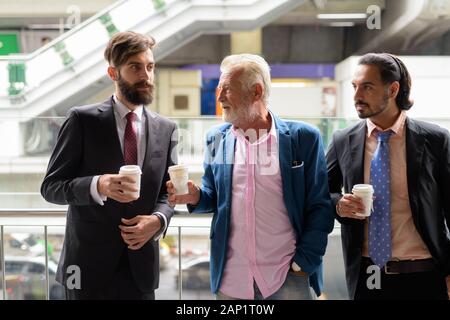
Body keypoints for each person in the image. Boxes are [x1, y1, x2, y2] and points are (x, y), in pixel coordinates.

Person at [167, 54, 334, 300]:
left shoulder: (304, 138)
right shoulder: (216, 138)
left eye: (227, 90)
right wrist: (195, 196)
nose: (220, 97)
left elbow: (320, 206)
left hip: (287, 278)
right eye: (219, 89)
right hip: (231, 282)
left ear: (256, 92)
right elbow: (213, 197)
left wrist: (302, 265)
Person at [40, 31, 177, 300]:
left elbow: (168, 192)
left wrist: (158, 221)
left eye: (150, 67)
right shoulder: (81, 119)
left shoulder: (166, 128)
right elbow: (51, 187)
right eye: (135, 67)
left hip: (141, 270)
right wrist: (97, 185)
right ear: (113, 73)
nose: (146, 76)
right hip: (85, 268)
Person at [326, 53, 450, 300]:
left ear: (393, 89)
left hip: (425, 274)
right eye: (355, 87)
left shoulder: (436, 140)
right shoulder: (343, 140)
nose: (357, 96)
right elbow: (320, 193)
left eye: (367, 87)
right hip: (367, 275)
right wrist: (339, 204)